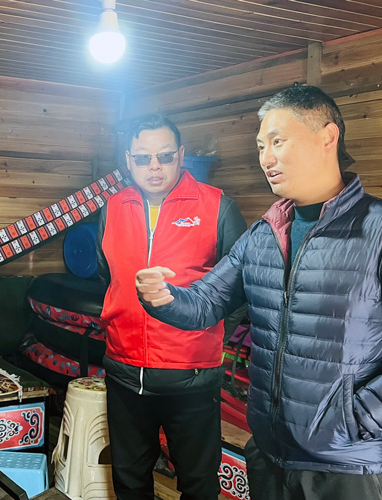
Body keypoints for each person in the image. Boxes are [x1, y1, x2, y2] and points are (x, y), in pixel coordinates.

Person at [136, 84, 382, 499]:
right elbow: (206, 303)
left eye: (278, 142)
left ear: (328, 137)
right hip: (271, 453)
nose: (266, 158)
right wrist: (164, 297)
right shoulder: (263, 235)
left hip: (352, 467)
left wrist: (359, 418)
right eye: (261, 146)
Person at [96, 114, 247, 500]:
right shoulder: (113, 207)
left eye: (164, 156)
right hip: (125, 371)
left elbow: (237, 289)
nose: (154, 167)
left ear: (180, 155)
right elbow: (106, 275)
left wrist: (209, 337)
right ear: (128, 160)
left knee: (198, 483)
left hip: (191, 375)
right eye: (142, 158)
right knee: (129, 478)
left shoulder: (217, 206)